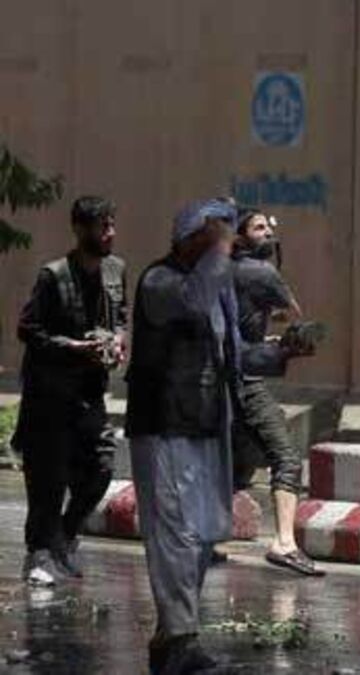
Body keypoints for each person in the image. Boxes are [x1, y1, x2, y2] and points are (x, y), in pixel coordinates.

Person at [125, 199, 306, 673]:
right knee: (175, 535)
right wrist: (222, 248)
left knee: (205, 532)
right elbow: (193, 300)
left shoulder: (216, 286)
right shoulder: (160, 280)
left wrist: (284, 353)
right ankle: (179, 640)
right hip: (164, 426)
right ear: (191, 240)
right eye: (215, 237)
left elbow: (235, 354)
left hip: (208, 422)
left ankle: (170, 637)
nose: (226, 247)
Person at [13, 196, 125, 586]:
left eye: (111, 225)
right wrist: (74, 347)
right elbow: (28, 330)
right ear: (80, 229)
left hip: (90, 392)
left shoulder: (115, 270)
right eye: (101, 226)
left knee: (101, 467)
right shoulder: (54, 275)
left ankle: (63, 536)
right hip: (50, 393)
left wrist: (118, 340)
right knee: (49, 477)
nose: (109, 233)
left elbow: (121, 314)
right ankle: (39, 554)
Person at [228, 207, 322, 576]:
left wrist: (256, 336)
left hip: (214, 381)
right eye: (258, 227)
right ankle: (284, 543)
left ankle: (204, 537)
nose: (268, 232)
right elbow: (295, 316)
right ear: (239, 236)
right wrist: (288, 343)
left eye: (269, 227)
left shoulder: (216, 271)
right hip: (245, 381)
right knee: (286, 458)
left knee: (234, 464)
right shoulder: (262, 272)